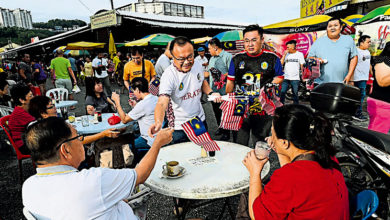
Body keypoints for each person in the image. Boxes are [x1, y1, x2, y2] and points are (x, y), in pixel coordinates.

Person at [22, 117, 173, 219]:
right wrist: (158, 143)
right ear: (65, 150)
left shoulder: (28, 186)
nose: (82, 142)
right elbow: (140, 175)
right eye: (78, 137)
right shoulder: (93, 181)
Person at [243, 104, 349, 219]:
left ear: (285, 142)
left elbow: (257, 216)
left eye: (272, 133)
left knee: (246, 202)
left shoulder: (289, 178)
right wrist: (281, 150)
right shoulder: (326, 155)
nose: (270, 138)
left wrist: (254, 173)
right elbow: (294, 182)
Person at [148, 36, 220, 144]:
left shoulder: (197, 65)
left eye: (190, 57)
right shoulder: (169, 75)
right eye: (181, 59)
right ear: (172, 56)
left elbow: (201, 81)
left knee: (203, 152)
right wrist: (158, 122)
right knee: (180, 157)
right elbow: (162, 103)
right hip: (179, 127)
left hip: (199, 120)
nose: (186, 62)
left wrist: (211, 92)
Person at [226, 24, 284, 147]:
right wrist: (228, 99)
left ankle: (259, 166)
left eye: (254, 40)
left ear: (262, 40)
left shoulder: (272, 58)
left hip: (263, 109)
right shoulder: (237, 59)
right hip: (241, 109)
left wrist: (268, 87)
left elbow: (279, 77)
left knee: (260, 144)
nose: (250, 44)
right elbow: (230, 81)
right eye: (246, 41)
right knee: (239, 144)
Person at [28, 96, 120, 143]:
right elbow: (79, 141)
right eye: (51, 107)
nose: (55, 108)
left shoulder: (33, 127)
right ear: (43, 113)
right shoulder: (54, 127)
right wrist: (103, 134)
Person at [112, 77, 158, 164]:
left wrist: (117, 102)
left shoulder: (143, 104)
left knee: (127, 146)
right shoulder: (155, 98)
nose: (133, 93)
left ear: (138, 90)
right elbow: (145, 112)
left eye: (133, 91)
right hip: (158, 135)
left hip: (149, 140)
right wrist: (135, 106)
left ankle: (137, 167)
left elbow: (124, 120)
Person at [308, 17, 358, 85]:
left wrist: (349, 76)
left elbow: (354, 57)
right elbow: (309, 58)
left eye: (335, 25)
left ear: (340, 28)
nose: (332, 28)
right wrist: (316, 60)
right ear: (326, 29)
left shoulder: (348, 40)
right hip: (321, 83)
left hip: (342, 82)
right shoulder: (318, 42)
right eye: (330, 26)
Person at [207, 38, 233, 140]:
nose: (208, 51)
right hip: (214, 91)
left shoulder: (228, 56)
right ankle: (220, 127)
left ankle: (226, 132)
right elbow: (209, 74)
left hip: (224, 91)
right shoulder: (212, 58)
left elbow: (231, 74)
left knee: (225, 112)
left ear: (215, 47)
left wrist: (221, 75)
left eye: (209, 49)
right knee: (216, 111)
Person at [367, 42, 390, 134]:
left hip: (383, 102)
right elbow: (382, 82)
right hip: (383, 103)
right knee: (376, 135)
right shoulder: (384, 60)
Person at [8, 82, 35, 154]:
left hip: (29, 139)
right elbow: (37, 125)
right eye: (31, 96)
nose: (33, 97)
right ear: (22, 100)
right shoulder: (19, 113)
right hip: (24, 145)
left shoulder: (25, 109)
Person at [352, 35, 372, 121]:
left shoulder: (368, 52)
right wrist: (351, 79)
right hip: (357, 78)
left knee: (361, 96)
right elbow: (351, 65)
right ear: (361, 43)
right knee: (359, 96)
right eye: (368, 42)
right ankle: (357, 114)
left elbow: (369, 64)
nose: (369, 44)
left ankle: (356, 113)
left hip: (364, 77)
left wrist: (372, 73)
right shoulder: (356, 52)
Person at [280, 40, 305, 104]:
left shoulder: (300, 54)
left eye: (288, 47)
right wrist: (284, 55)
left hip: (295, 78)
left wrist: (303, 76)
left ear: (293, 47)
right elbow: (281, 64)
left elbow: (302, 65)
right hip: (286, 77)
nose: (287, 49)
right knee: (282, 92)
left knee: (295, 94)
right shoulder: (286, 55)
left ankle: (295, 107)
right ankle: (280, 105)